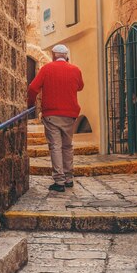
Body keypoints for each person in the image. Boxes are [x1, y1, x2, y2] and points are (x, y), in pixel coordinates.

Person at [27, 44, 84, 192]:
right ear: (66, 56)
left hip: (52, 114)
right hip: (70, 115)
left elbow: (33, 87)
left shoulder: (46, 69)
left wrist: (30, 104)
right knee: (67, 145)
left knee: (55, 146)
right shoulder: (75, 70)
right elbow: (80, 86)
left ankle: (59, 181)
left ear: (53, 55)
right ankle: (68, 178)